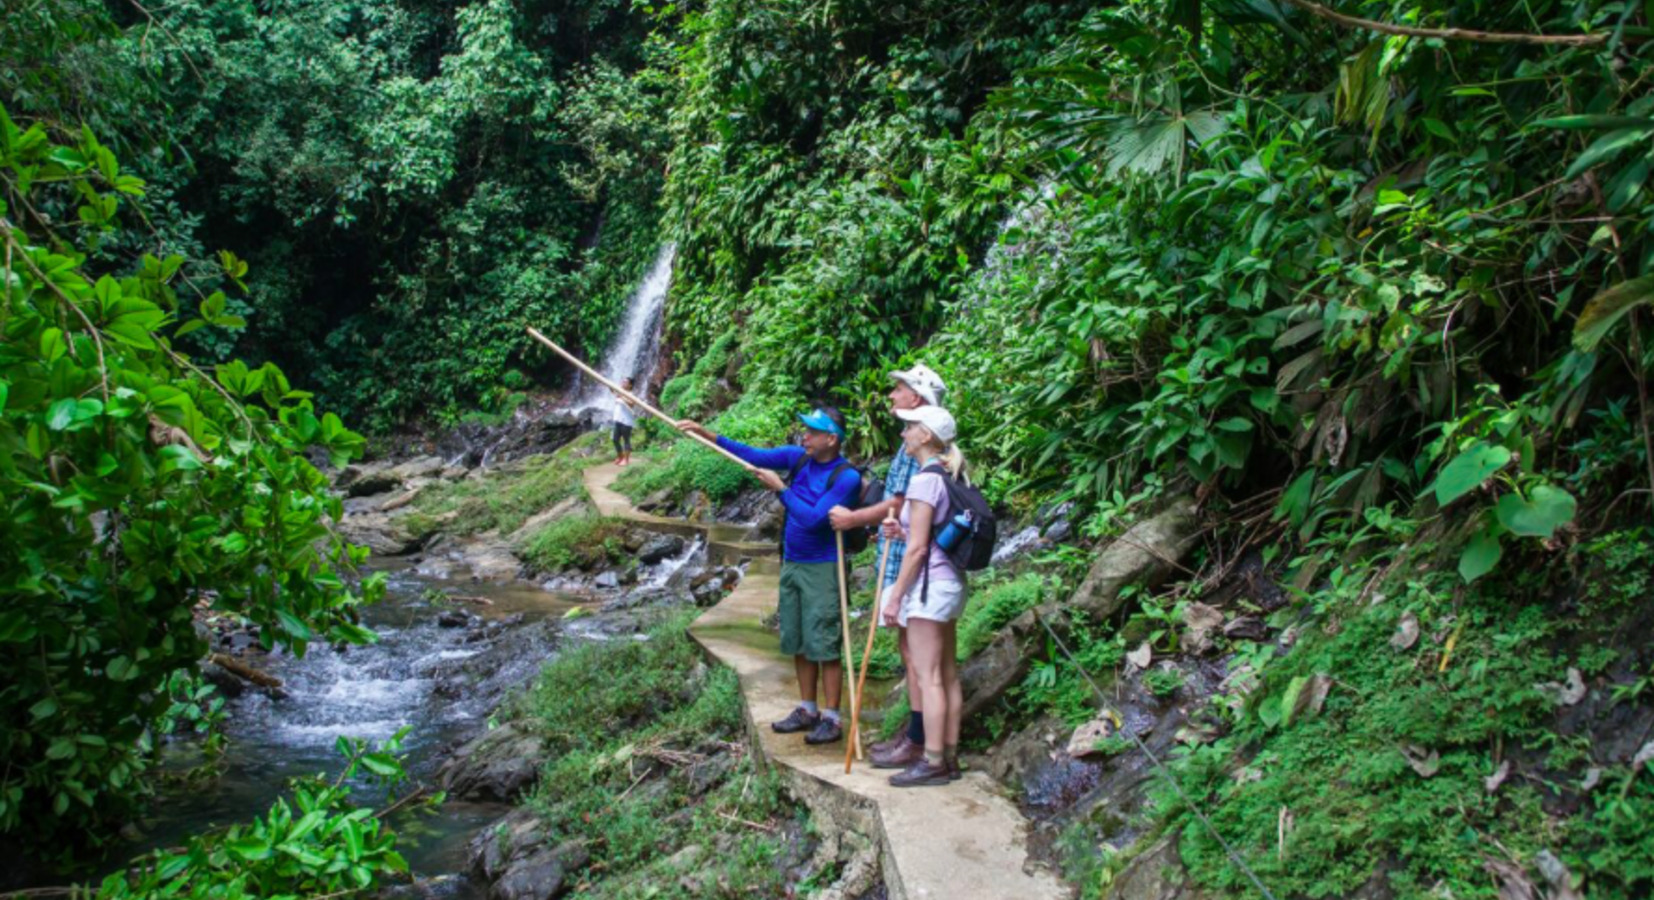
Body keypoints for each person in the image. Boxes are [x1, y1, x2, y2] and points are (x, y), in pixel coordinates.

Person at [678, 407, 861, 745]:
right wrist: (707, 434)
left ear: (831, 439)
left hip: (823, 567)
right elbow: (751, 454)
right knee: (797, 638)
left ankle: (832, 717)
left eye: (812, 431)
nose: (804, 435)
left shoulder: (846, 477)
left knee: (824, 642)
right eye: (804, 429)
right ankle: (807, 709)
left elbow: (814, 519)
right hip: (791, 562)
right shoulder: (799, 458)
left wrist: (781, 489)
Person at [827, 364, 947, 770]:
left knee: (917, 657)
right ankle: (916, 737)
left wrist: (856, 520)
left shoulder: (922, 447)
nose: (892, 395)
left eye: (899, 390)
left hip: (909, 565)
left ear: (917, 399)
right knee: (909, 653)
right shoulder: (911, 443)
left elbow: (903, 505)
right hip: (899, 552)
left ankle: (922, 745)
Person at [878, 405, 968, 787]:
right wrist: (904, 532)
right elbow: (929, 538)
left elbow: (916, 553)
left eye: (911, 427)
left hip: (930, 588)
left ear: (926, 436)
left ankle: (931, 760)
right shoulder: (951, 473)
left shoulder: (922, 480)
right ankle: (947, 756)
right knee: (946, 675)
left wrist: (896, 597)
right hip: (951, 583)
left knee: (928, 675)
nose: (904, 433)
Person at [611, 377, 638, 466]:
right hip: (617, 419)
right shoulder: (619, 392)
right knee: (615, 439)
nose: (623, 383)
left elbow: (632, 404)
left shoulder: (631, 394)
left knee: (626, 440)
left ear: (630, 385)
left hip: (626, 421)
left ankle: (626, 460)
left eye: (625, 382)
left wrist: (621, 396)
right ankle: (620, 456)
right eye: (622, 381)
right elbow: (612, 390)